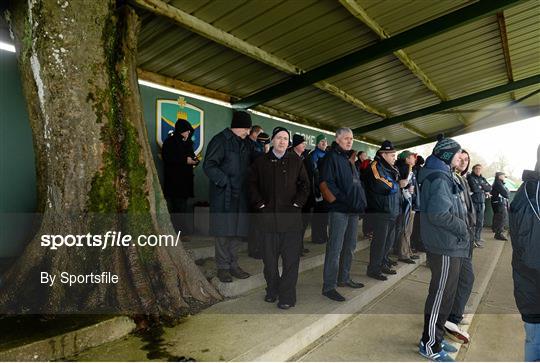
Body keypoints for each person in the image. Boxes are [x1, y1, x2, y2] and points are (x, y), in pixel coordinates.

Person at [417, 136, 468, 362]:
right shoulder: (438, 177)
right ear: (448, 155)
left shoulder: (444, 173)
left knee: (446, 296)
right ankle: (429, 345)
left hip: (450, 244)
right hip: (444, 244)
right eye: (458, 153)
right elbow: (439, 214)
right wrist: (462, 227)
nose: (461, 157)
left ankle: (434, 338)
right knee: (440, 296)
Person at [249, 127, 309, 309]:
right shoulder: (261, 162)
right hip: (268, 221)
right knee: (269, 261)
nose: (282, 141)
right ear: (272, 141)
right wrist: (259, 204)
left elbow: (305, 185)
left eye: (285, 138)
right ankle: (272, 290)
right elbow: (251, 184)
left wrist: (298, 204)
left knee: (291, 261)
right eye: (279, 138)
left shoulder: (296, 161)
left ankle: (287, 296)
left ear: (288, 142)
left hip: (291, 221)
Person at [203, 111, 253, 283]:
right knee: (223, 232)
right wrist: (225, 182)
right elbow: (209, 165)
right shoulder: (220, 140)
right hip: (224, 195)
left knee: (237, 232)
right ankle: (223, 268)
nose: (248, 132)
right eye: (247, 128)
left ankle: (233, 264)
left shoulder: (246, 144)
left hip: (241, 196)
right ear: (238, 126)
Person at [319, 127, 366, 301]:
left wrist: (360, 203)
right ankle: (329, 286)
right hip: (339, 210)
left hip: (353, 210)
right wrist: (343, 202)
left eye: (351, 138)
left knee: (350, 246)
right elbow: (326, 184)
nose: (349, 141)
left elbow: (356, 184)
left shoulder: (350, 159)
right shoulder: (330, 157)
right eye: (346, 138)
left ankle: (344, 278)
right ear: (337, 139)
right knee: (335, 248)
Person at [510, 145, 540, 362]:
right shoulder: (530, 192)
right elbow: (530, 253)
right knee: (535, 341)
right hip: (531, 286)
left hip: (528, 286)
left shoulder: (527, 190)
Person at [444, 150, 476, 345]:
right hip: (456, 238)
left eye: (466, 159)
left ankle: (453, 315)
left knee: (463, 279)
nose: (463, 162)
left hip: (467, 236)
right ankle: (450, 319)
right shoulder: (448, 178)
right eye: (460, 158)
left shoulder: (463, 180)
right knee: (465, 278)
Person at [365, 140, 402, 281]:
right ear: (383, 154)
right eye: (392, 155)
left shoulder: (391, 168)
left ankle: (382, 263)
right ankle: (374, 268)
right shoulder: (375, 165)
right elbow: (381, 183)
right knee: (379, 242)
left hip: (392, 210)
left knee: (388, 242)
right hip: (381, 210)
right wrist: (396, 186)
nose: (394, 157)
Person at [162, 118, 197, 234]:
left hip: (185, 182)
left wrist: (194, 161)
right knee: (176, 208)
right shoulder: (169, 142)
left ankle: (181, 232)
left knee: (182, 207)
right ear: (181, 130)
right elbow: (167, 158)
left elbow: (192, 157)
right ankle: (178, 233)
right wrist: (185, 160)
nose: (188, 133)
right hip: (174, 181)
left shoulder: (188, 144)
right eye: (186, 131)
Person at [394, 150, 420, 264]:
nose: (415, 159)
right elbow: (405, 187)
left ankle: (406, 251)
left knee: (407, 229)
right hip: (406, 204)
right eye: (413, 157)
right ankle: (404, 253)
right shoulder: (405, 169)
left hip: (407, 203)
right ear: (407, 158)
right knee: (406, 229)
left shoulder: (407, 169)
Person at [306, 134, 329, 244]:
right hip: (319, 189)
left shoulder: (327, 154)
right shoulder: (314, 155)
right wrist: (317, 190)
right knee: (318, 215)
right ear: (317, 143)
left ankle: (323, 235)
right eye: (322, 142)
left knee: (324, 215)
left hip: (326, 189)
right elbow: (314, 175)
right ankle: (317, 237)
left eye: (325, 141)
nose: (324, 143)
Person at [467, 164, 492, 247]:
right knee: (473, 222)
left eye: (480, 169)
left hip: (482, 202)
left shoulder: (482, 178)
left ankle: (477, 238)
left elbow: (489, 188)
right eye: (476, 169)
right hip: (473, 202)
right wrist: (483, 187)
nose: (478, 170)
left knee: (480, 222)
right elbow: (474, 188)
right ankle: (472, 240)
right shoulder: (470, 177)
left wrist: (481, 187)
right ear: (473, 169)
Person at [411, 155, 426, 253]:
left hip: (416, 203)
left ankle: (413, 244)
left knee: (414, 226)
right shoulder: (420, 171)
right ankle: (416, 244)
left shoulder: (414, 170)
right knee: (418, 226)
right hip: (419, 203)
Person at [491, 171, 510, 241]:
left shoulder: (499, 183)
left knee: (497, 217)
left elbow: (507, 192)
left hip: (497, 202)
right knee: (501, 218)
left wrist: (507, 192)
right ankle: (499, 234)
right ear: (499, 176)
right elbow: (506, 194)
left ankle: (496, 230)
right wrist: (507, 192)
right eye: (503, 176)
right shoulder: (498, 183)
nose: (504, 177)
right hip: (499, 203)